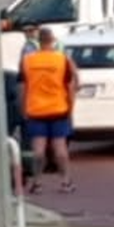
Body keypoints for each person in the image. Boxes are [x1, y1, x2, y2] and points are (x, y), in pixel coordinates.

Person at [21, 27, 79, 194]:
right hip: (58, 109)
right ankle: (66, 182)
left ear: (38, 41)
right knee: (60, 149)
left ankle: (37, 183)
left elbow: (24, 87)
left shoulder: (28, 61)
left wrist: (24, 108)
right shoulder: (62, 60)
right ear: (52, 41)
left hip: (36, 110)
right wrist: (70, 109)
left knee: (38, 151)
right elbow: (69, 87)